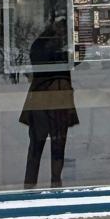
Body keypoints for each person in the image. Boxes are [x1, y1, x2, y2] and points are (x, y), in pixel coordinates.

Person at [20, 12, 79, 188]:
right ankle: (33, 187)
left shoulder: (50, 44)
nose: (62, 32)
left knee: (53, 146)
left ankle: (49, 185)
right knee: (40, 146)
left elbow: (76, 59)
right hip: (48, 98)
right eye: (61, 27)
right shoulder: (44, 45)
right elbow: (67, 60)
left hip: (52, 99)